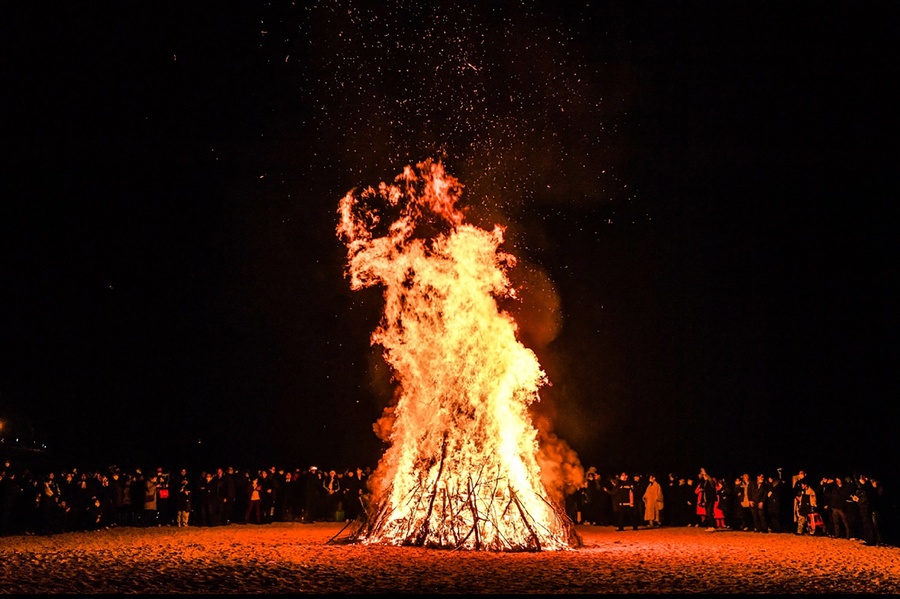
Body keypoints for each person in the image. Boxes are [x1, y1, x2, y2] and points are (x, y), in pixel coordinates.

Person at [826, 475, 851, 540]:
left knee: (845, 522)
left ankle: (848, 535)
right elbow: (828, 488)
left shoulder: (844, 488)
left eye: (838, 480)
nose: (837, 481)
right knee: (836, 522)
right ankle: (837, 534)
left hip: (841, 507)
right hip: (834, 507)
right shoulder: (834, 487)